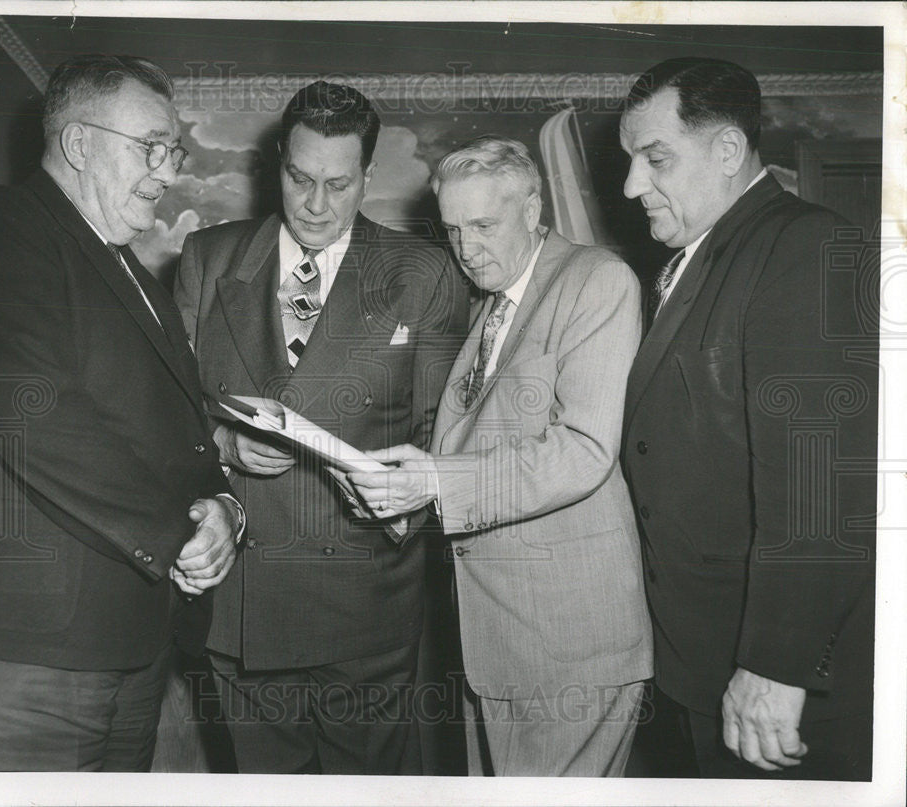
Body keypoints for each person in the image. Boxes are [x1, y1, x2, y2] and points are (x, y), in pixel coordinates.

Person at [0, 54, 245, 772]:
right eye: (151, 148)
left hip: (130, 652)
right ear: (78, 144)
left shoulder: (140, 278)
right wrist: (175, 534)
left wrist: (224, 509)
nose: (168, 173)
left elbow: (185, 437)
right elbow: (28, 407)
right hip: (20, 660)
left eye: (175, 152)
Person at [173, 80, 469, 774]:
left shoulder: (421, 273)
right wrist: (222, 443)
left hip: (367, 610)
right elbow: (166, 408)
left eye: (339, 184)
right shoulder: (208, 259)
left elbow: (445, 436)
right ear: (277, 161)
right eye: (300, 178)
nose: (315, 204)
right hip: (245, 602)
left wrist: (405, 492)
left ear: (368, 174)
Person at [340, 136, 653, 776]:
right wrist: (397, 490)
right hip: (496, 642)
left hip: (570, 646)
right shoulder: (491, 305)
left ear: (534, 207)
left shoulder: (595, 279)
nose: (466, 248)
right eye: (453, 229)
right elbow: (468, 451)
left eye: (483, 225)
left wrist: (436, 482)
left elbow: (585, 450)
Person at [618, 57, 876, 780]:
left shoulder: (805, 245)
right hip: (700, 656)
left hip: (770, 683)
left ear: (728, 151)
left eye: (655, 158)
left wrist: (775, 665)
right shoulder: (696, 258)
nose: (632, 185)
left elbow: (821, 486)